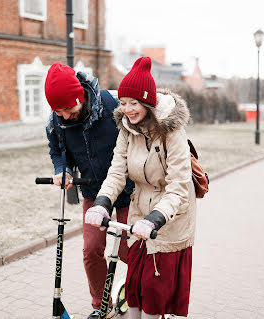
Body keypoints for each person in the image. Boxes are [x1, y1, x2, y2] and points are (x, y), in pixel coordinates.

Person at [85, 57, 196, 319]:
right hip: (139, 213)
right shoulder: (126, 129)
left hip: (170, 218)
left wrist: (156, 219)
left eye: (133, 103)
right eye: (122, 103)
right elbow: (116, 172)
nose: (127, 109)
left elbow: (179, 187)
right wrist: (102, 203)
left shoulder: (172, 131)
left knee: (153, 293)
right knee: (134, 291)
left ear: (147, 102)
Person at [44, 62, 134, 319]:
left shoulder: (110, 106)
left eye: (69, 109)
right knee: (92, 248)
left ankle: (139, 293)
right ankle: (100, 305)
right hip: (93, 191)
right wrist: (63, 170)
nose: (65, 116)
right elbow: (57, 150)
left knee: (130, 250)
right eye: (58, 111)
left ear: (80, 96)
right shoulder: (56, 120)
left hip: (127, 189)